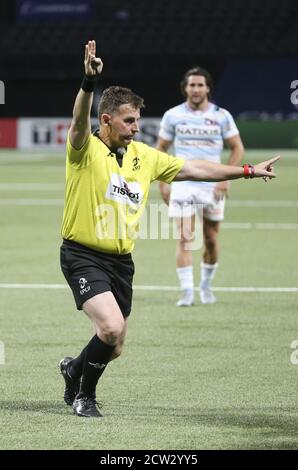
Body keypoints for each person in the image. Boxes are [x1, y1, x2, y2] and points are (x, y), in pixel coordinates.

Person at [59, 40, 279, 418]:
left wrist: (245, 170)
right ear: (107, 120)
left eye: (137, 121)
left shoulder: (144, 156)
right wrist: (87, 82)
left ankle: (74, 367)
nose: (136, 128)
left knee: (114, 345)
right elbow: (79, 120)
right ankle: (84, 396)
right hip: (82, 255)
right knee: (110, 327)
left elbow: (197, 169)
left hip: (121, 262)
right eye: (129, 121)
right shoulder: (84, 150)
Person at [157, 67, 244, 306]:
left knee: (211, 239)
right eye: (191, 85)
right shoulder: (173, 115)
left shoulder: (221, 115)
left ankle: (205, 285)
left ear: (208, 88)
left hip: (212, 184)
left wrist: (225, 178)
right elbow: (161, 149)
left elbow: (237, 147)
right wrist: (164, 183)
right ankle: (187, 291)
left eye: (200, 85)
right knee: (185, 237)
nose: (195, 89)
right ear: (185, 88)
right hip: (183, 182)